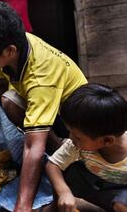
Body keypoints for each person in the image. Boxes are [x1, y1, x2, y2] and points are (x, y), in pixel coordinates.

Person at [0, 1, 87, 211]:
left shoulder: (41, 77)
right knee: (7, 100)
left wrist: (23, 205)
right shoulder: (11, 46)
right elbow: (0, 84)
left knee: (33, 140)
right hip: (42, 105)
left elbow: (32, 146)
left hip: (74, 122)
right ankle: (54, 152)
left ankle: (60, 153)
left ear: (10, 50)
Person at [45, 83, 127, 212]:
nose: (70, 138)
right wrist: (64, 192)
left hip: (120, 191)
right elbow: (52, 165)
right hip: (92, 183)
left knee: (123, 204)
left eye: (77, 137)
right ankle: (58, 207)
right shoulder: (76, 145)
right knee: (67, 170)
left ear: (107, 140)